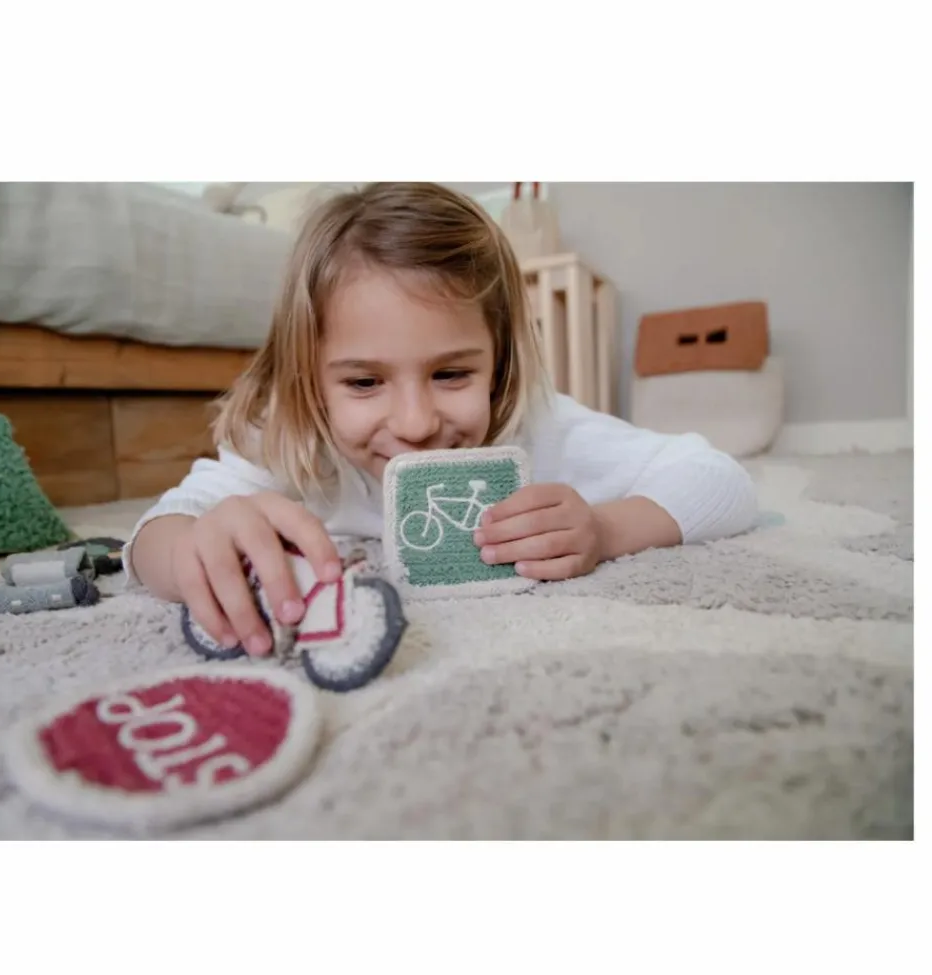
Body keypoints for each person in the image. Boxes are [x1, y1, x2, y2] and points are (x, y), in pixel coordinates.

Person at [126, 182, 758, 656]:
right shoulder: (290, 439)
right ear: (307, 379)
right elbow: (152, 534)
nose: (416, 423)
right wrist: (191, 550)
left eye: (451, 374)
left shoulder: (538, 429)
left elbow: (721, 479)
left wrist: (605, 527)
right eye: (364, 382)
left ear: (500, 365)